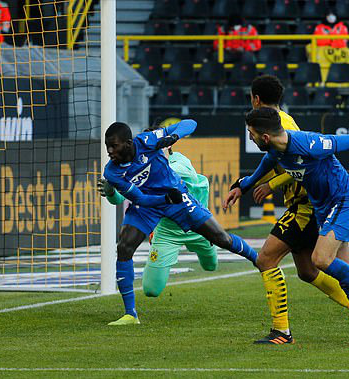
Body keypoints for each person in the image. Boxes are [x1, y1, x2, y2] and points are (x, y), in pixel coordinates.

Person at [224, 107, 349, 344]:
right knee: (341, 273)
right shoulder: (275, 152)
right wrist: (242, 186)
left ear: (265, 137)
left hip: (345, 200)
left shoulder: (309, 143)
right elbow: (262, 168)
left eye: (251, 133)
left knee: (320, 260)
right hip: (324, 207)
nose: (250, 137)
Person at [102, 119, 258, 325]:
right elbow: (138, 199)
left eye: (113, 146)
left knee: (222, 238)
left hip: (178, 198)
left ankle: (259, 260)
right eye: (108, 147)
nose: (110, 151)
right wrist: (162, 199)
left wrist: (172, 137)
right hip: (150, 204)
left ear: (129, 143)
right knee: (124, 247)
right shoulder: (111, 172)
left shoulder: (148, 141)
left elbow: (190, 123)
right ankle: (130, 314)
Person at [242, 75, 349, 345]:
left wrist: (272, 183)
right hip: (305, 203)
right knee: (307, 271)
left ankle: (281, 332)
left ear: (256, 99)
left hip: (303, 205)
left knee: (266, 259)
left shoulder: (278, 125)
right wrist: (248, 184)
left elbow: (297, 163)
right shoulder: (280, 121)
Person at [98, 120, 217, 299]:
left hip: (196, 228)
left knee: (211, 266)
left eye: (157, 149)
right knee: (151, 290)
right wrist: (111, 191)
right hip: (166, 234)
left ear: (167, 148)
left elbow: (174, 175)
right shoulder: (137, 172)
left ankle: (208, 246)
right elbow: (120, 199)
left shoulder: (181, 162)